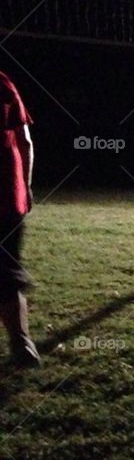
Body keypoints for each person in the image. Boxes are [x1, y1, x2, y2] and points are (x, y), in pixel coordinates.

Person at [0, 71, 38, 368]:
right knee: (6, 268)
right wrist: (25, 186)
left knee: (6, 269)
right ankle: (21, 343)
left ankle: (22, 342)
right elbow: (25, 141)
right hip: (9, 195)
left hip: (7, 195)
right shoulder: (3, 82)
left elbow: (24, 141)